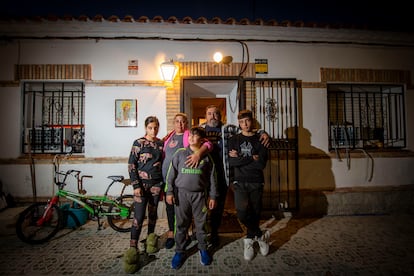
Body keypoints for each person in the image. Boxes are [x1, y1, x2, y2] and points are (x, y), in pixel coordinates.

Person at [199, 105, 270, 247]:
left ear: (220, 116)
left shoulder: (227, 129)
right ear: (206, 116)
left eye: (216, 113)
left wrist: (263, 132)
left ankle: (213, 234)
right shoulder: (200, 130)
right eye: (210, 113)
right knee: (200, 207)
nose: (213, 116)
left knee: (217, 208)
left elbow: (248, 130)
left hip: (222, 175)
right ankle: (200, 235)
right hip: (203, 175)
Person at [165, 126, 218, 269]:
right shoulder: (180, 153)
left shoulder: (206, 157)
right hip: (181, 195)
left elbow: (213, 178)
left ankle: (203, 249)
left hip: (200, 196)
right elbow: (171, 174)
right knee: (181, 224)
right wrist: (169, 192)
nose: (191, 138)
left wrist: (213, 196)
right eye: (190, 136)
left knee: (201, 225)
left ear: (202, 140)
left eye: (195, 136)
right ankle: (180, 251)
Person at [162, 113, 213, 249]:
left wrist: (198, 153)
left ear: (187, 124)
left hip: (185, 183)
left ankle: (188, 235)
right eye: (177, 121)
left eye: (183, 121)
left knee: (186, 213)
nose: (180, 124)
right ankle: (173, 234)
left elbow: (207, 143)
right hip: (169, 180)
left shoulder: (188, 135)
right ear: (173, 123)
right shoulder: (169, 136)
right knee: (171, 210)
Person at [123, 116, 164, 273]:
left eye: (156, 127)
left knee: (152, 215)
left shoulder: (160, 144)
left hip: (156, 184)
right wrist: (135, 185)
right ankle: (133, 249)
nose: (153, 130)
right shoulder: (138, 143)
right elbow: (131, 164)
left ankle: (150, 241)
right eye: (150, 128)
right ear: (146, 128)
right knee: (138, 218)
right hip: (141, 186)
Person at [228, 110, 270, 261]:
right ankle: (260, 235)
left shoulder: (261, 139)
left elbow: (261, 164)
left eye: (247, 121)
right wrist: (252, 157)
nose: (245, 124)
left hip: (256, 181)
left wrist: (242, 158)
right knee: (241, 212)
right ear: (239, 123)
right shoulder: (233, 140)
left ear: (252, 121)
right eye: (241, 122)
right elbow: (232, 162)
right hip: (240, 181)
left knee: (256, 211)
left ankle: (249, 240)